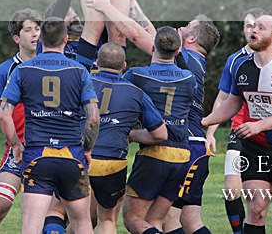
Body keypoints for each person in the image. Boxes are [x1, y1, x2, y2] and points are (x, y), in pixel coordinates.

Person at [201, 15, 272, 234]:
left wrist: (260, 125)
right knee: (257, 209)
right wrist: (204, 121)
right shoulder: (242, 66)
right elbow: (232, 103)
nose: (254, 30)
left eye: (261, 27)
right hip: (253, 148)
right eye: (252, 26)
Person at [0, 18, 99, 234]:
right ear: (65, 39)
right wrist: (88, 148)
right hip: (72, 155)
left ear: (41, 39)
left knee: (32, 224)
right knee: (82, 222)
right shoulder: (80, 71)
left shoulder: (22, 70)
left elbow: (4, 115)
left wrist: (16, 144)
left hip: (37, 155)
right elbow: (93, 119)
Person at [0, 8, 43, 234]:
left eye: (38, 28)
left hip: (51, 149)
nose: (35, 34)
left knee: (57, 215)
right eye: (28, 29)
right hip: (17, 150)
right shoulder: (5, 71)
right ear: (17, 37)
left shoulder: (54, 65)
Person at [122, 27, 195, 234]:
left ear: (153, 47)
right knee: (154, 219)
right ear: (178, 50)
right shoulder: (188, 78)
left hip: (154, 153)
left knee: (133, 218)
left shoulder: (136, 75)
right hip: (181, 155)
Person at [89, 43, 167, 234]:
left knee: (78, 217)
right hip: (113, 160)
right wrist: (130, 135)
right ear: (124, 65)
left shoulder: (82, 82)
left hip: (80, 157)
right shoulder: (135, 92)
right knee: (107, 219)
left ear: (97, 63)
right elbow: (160, 134)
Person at [162, 15, 221, 234]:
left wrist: (130, 4)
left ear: (192, 37)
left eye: (187, 26)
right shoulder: (194, 60)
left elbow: (149, 36)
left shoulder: (185, 56)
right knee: (190, 219)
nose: (181, 26)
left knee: (169, 218)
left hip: (189, 147)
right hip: (197, 146)